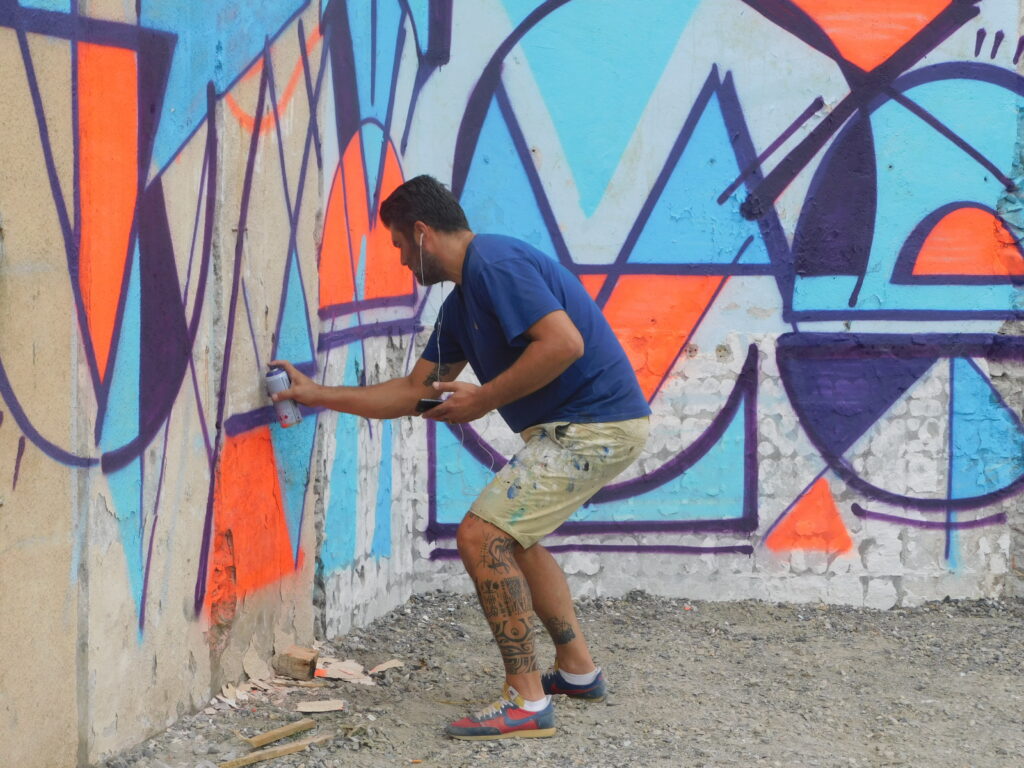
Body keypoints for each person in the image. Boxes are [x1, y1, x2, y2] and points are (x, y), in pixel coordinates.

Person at [271, 175, 650, 740]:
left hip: (595, 426)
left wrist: (485, 398)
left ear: (422, 233)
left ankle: (526, 701)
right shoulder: (461, 305)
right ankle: (577, 673)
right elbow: (411, 393)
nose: (400, 260)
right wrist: (315, 394)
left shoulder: (494, 263)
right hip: (579, 428)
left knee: (479, 536)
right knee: (514, 537)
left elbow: (563, 342)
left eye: (399, 244)